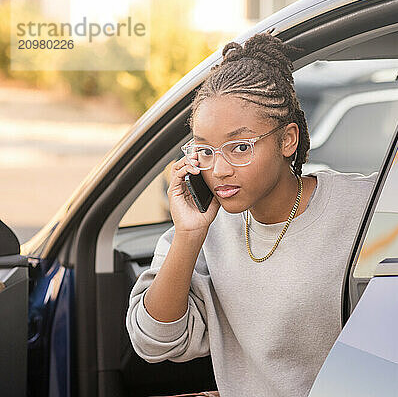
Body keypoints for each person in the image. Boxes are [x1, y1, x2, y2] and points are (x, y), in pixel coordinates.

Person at [125, 30, 377, 397]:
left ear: (287, 139)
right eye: (206, 150)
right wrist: (189, 234)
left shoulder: (363, 205)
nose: (219, 170)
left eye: (240, 147)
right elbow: (153, 342)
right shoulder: (204, 228)